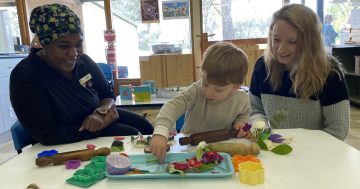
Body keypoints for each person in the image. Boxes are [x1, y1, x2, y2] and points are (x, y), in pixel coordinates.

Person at [10, 4, 153, 145]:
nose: (73, 53)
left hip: (99, 117)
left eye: (78, 44)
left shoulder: (84, 62)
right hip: (66, 137)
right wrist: (98, 126)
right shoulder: (26, 77)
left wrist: (101, 112)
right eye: (64, 46)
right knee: (131, 134)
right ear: (43, 43)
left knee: (146, 128)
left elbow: (107, 95)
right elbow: (48, 135)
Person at [249, 4, 350, 140]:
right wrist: (264, 136)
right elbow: (256, 110)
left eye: (292, 41)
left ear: (310, 43)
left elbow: (338, 129)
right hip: (276, 148)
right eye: (276, 39)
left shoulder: (330, 72)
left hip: (317, 153)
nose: (281, 50)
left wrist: (299, 149)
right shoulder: (262, 67)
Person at [150, 42, 251, 162]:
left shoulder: (242, 99)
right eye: (205, 83)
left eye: (218, 90)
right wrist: (161, 131)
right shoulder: (196, 91)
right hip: (188, 149)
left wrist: (240, 123)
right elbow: (172, 106)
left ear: (235, 87)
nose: (208, 92)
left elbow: (244, 114)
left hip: (222, 151)